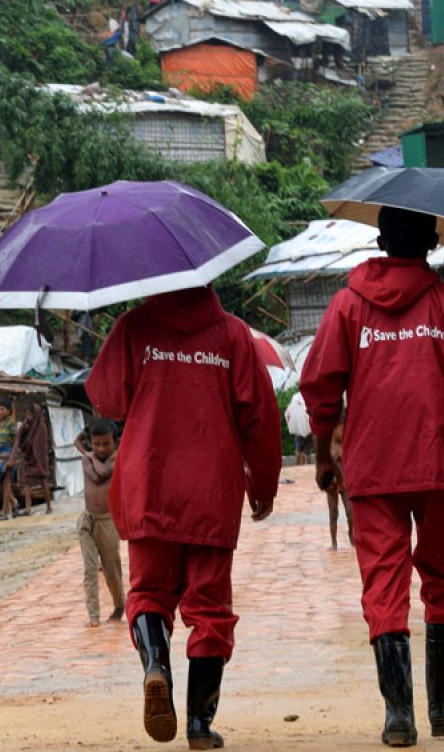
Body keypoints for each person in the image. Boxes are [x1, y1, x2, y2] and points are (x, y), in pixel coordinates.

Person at [302, 206, 444, 745]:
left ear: (381, 240)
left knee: (383, 582)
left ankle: (398, 717)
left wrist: (324, 453)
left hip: (371, 463)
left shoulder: (347, 304)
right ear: (433, 242)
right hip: (437, 461)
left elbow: (320, 386)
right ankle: (442, 712)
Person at [87, 285, 282, 748]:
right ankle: (198, 724)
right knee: (210, 608)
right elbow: (260, 418)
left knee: (149, 593)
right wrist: (264, 484)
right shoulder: (234, 336)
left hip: (148, 483)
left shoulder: (133, 327)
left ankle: (156, 666)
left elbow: (106, 400)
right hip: (212, 490)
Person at [79, 419, 126, 628]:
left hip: (108, 521)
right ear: (90, 442)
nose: (100, 449)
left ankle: (119, 605)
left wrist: (88, 455)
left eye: (106, 444)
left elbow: (102, 475)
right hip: (87, 519)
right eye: (96, 444)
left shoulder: (118, 458)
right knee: (90, 568)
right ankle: (93, 614)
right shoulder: (86, 460)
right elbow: (95, 474)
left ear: (115, 443)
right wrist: (88, 455)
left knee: (111, 568)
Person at [15, 401, 54, 515]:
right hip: (29, 458)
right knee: (27, 483)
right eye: (27, 414)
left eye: (31, 414)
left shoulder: (41, 427)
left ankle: (49, 506)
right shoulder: (29, 425)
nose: (29, 417)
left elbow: (39, 445)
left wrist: (36, 456)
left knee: (43, 482)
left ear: (36, 414)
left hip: (39, 460)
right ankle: (28, 509)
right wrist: (24, 425)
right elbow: (21, 436)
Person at [326, 415, 354, 551]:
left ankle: (352, 536)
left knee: (350, 511)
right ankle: (334, 542)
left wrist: (341, 453)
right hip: (331, 477)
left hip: (344, 477)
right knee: (333, 512)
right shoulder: (326, 434)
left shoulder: (344, 432)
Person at [0, 399, 19, 519]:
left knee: (7, 482)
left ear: (8, 411)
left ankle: (5, 511)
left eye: (2, 409)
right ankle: (14, 501)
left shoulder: (10, 423)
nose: (0, 411)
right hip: (0, 454)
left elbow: (16, 441)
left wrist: (11, 457)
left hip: (8, 453)